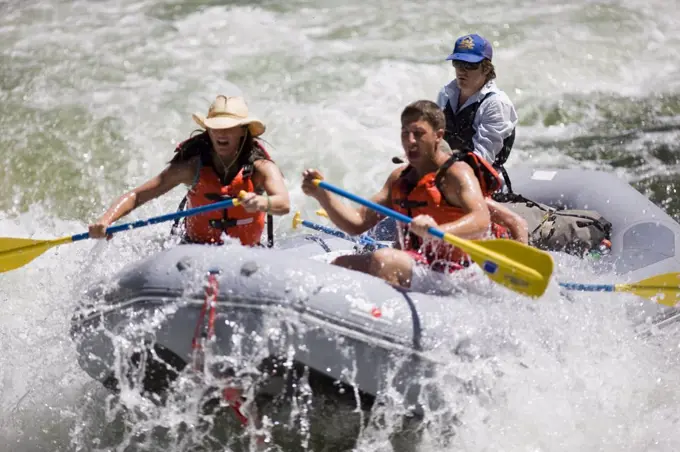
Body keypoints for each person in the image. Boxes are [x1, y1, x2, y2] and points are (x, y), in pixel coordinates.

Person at [301, 100, 512, 293]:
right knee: (341, 264)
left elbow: (481, 220)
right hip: (418, 264)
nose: (410, 141)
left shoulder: (456, 174)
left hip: (456, 273)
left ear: (438, 135)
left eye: (418, 133)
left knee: (385, 259)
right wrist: (323, 196)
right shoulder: (399, 178)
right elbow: (356, 223)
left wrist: (439, 231)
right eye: (405, 133)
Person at [88, 95, 290, 246]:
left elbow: (283, 203)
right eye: (215, 127)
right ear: (208, 130)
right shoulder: (191, 168)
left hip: (247, 253)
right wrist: (106, 220)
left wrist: (262, 202)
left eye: (229, 127)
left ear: (242, 131)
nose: (221, 133)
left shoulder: (262, 168)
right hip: (193, 249)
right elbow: (137, 196)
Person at [436, 33, 518, 192]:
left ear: (486, 68)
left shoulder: (496, 104)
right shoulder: (446, 94)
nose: (462, 71)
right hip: (446, 176)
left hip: (481, 183)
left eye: (470, 65)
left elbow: (481, 160)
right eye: (458, 63)